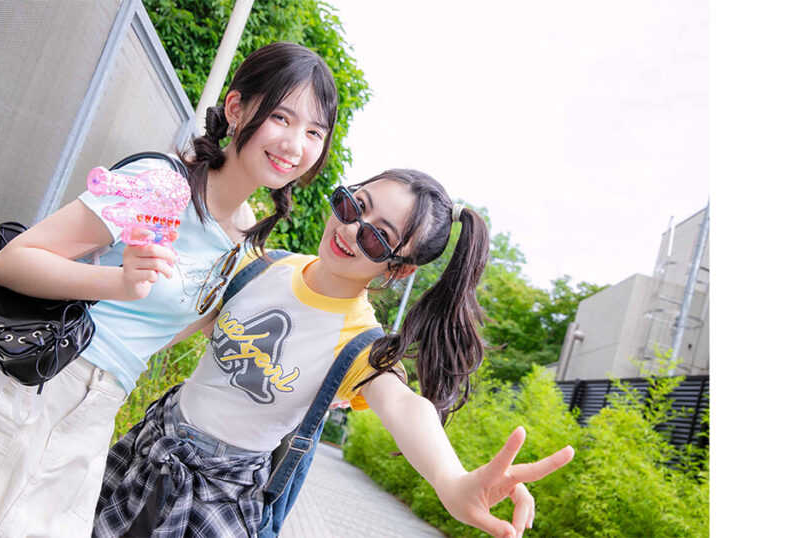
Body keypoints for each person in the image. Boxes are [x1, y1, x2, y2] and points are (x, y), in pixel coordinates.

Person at [0, 41, 340, 538]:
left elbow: (196, 330)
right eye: (281, 117)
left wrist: (319, 377)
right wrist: (117, 282)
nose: (295, 144)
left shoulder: (244, 240)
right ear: (237, 108)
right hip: (33, 378)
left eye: (314, 131)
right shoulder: (160, 183)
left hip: (93, 413)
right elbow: (12, 261)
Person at [94, 169, 576, 538]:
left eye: (377, 237)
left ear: (398, 270)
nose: (349, 229)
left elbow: (403, 404)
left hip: (219, 496)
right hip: (150, 444)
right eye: (352, 205)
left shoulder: (359, 343)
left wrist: (451, 480)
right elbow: (171, 324)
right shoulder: (264, 264)